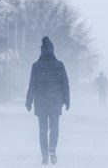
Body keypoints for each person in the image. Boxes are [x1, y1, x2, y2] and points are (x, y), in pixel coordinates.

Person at [25, 36, 70, 165]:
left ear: (42, 50)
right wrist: (67, 100)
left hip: (41, 101)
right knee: (55, 127)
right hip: (55, 100)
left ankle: (44, 154)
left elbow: (32, 84)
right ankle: (52, 149)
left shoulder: (36, 65)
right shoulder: (59, 65)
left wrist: (29, 101)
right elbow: (65, 83)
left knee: (43, 128)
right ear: (52, 50)